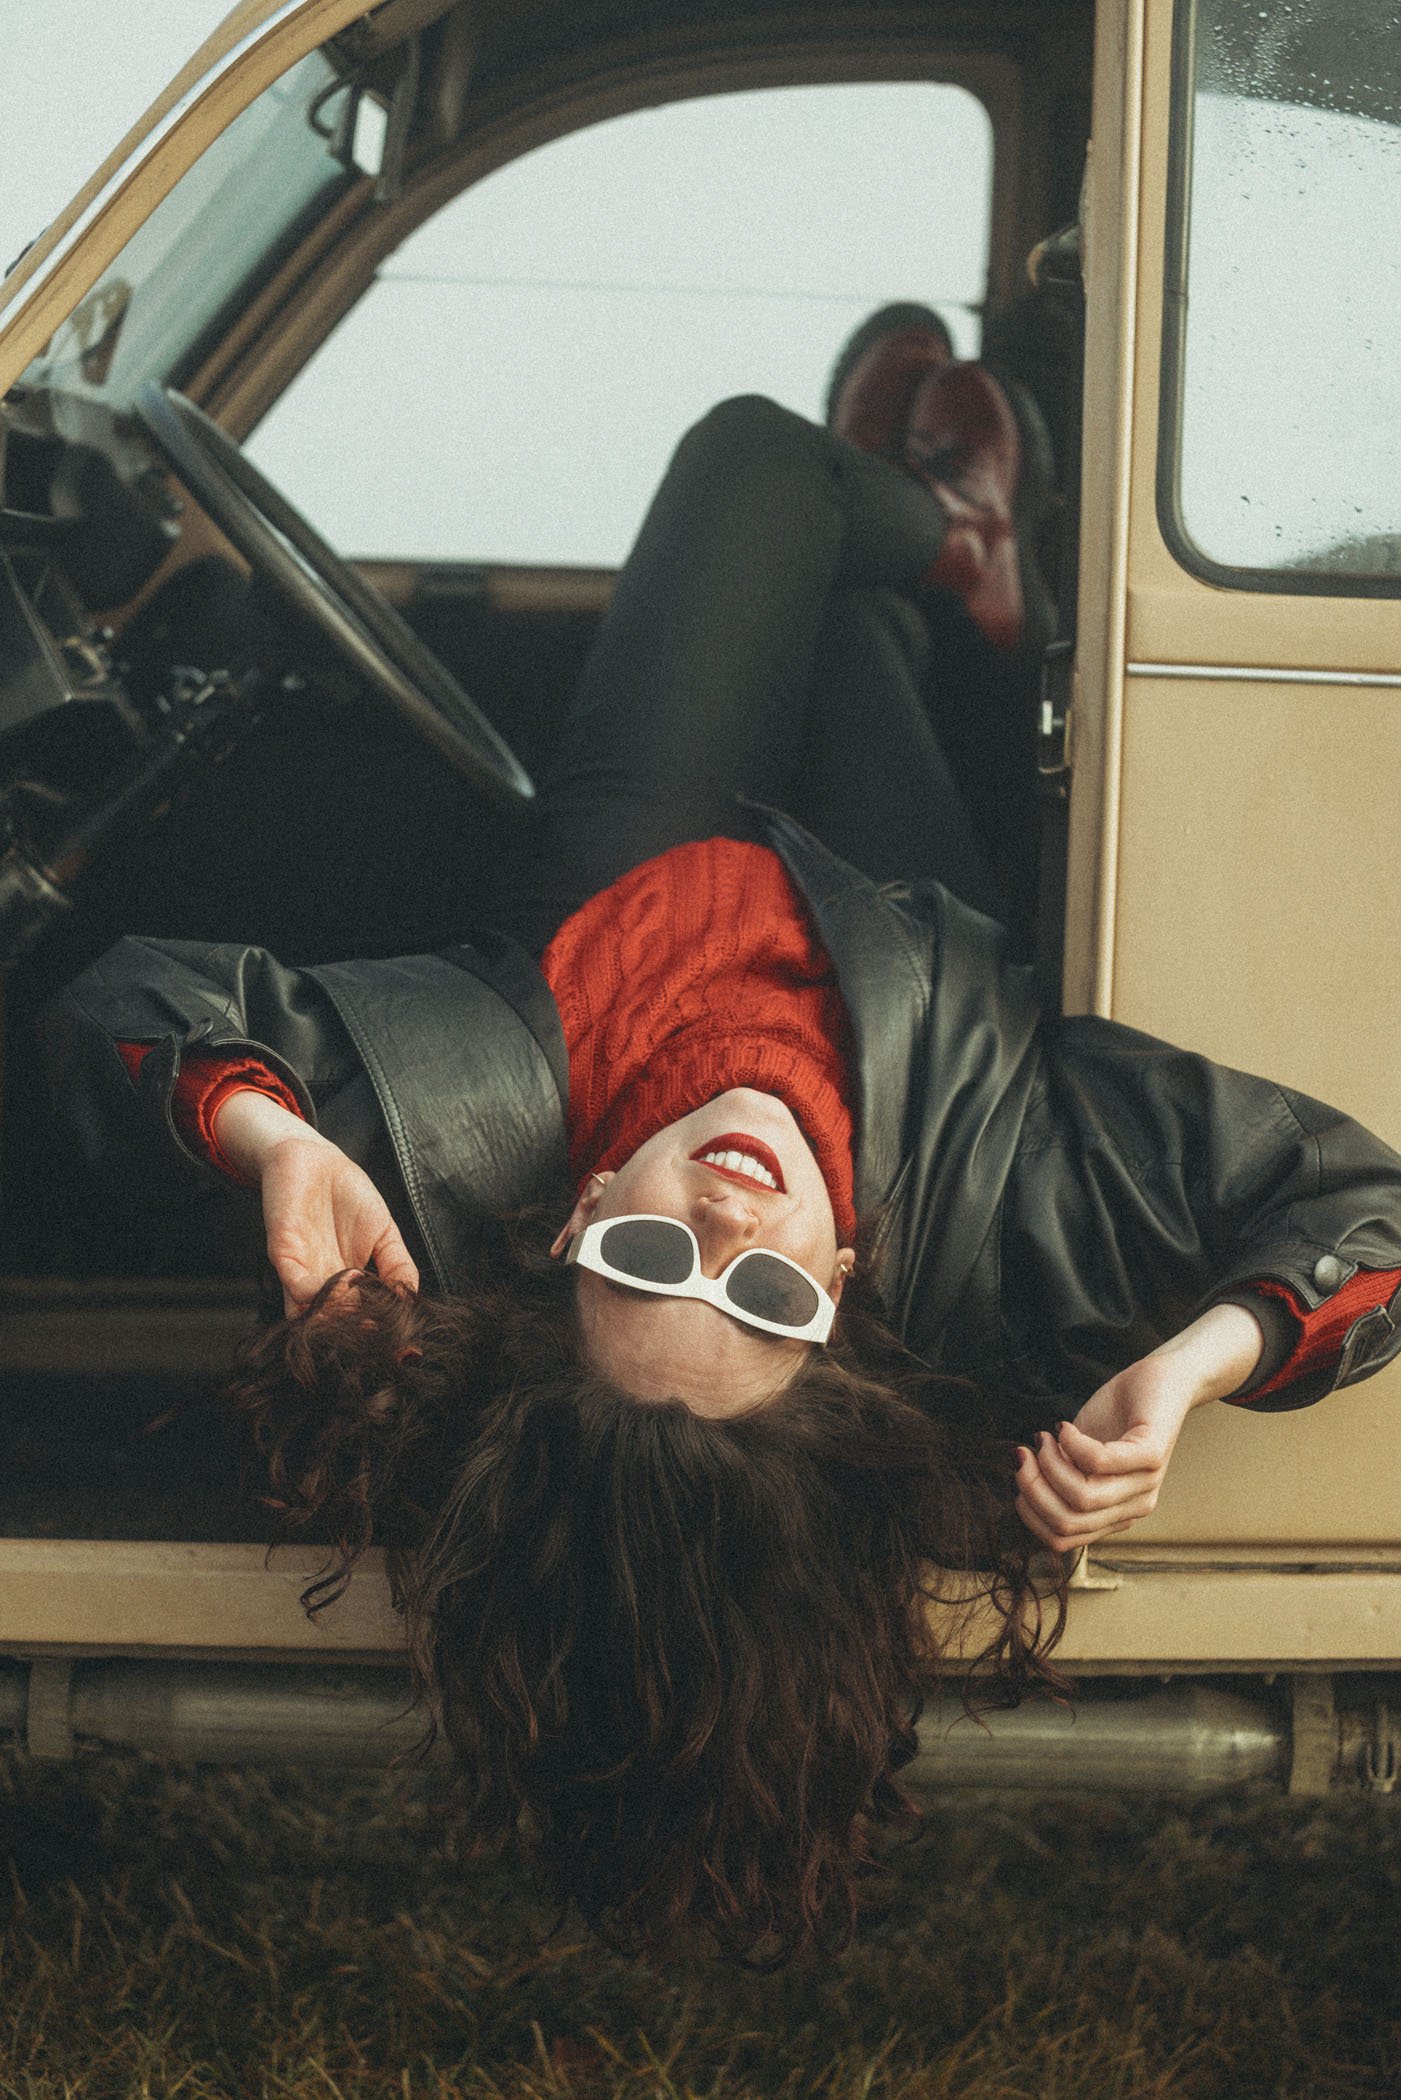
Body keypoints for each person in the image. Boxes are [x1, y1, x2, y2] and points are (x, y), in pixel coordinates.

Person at [39, 312, 1401, 1962]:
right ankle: (945, 546)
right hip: (905, 947)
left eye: (647, 1256)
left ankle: (908, 526)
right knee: (837, 637)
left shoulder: (476, 1125)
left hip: (617, 913)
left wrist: (270, 1141)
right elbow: (1361, 1208)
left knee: (757, 463)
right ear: (845, 1284)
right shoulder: (1002, 1188)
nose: (730, 1225)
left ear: (574, 1218)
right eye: (765, 1301)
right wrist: (1189, 1367)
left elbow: (125, 998)